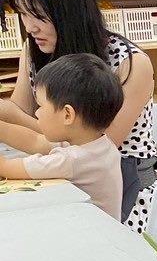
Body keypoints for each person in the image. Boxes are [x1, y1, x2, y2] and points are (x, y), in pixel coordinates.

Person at [0, 0, 157, 231]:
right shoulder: (34, 48)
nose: (30, 27)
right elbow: (21, 111)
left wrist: (12, 118)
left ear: (70, 10)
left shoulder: (130, 63)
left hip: (125, 192)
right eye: (23, 14)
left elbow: (88, 141)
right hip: (64, 180)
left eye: (38, 15)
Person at [0, 53, 124, 219]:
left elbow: (7, 167)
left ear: (67, 115)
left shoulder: (73, 160)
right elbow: (35, 141)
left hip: (90, 232)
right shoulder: (97, 144)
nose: (37, 113)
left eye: (41, 106)